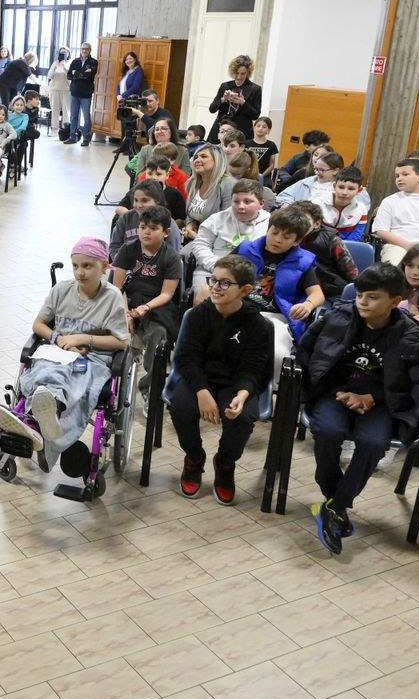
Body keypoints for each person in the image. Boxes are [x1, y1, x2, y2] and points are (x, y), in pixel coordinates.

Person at [298, 264, 419, 555]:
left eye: (372, 297)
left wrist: (373, 397)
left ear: (395, 301)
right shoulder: (338, 317)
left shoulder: (410, 335)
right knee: (327, 430)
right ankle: (335, 503)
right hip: (335, 395)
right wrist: (335, 391)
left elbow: (415, 382)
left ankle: (335, 506)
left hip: (381, 404)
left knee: (374, 442)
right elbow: (308, 353)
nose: (362, 301)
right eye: (360, 294)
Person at [0, 237, 129, 464]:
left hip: (91, 357)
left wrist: (82, 339)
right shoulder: (62, 290)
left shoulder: (112, 297)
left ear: (104, 266)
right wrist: (59, 339)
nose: (80, 272)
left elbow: (121, 342)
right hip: (57, 351)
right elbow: (38, 325)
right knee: (46, 370)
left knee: (70, 376)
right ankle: (46, 416)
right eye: (75, 266)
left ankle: (38, 421)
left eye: (87, 266)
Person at [168, 253, 273, 503]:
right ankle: (194, 457)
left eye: (225, 283)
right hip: (200, 379)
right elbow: (186, 359)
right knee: (181, 406)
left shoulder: (258, 324)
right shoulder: (198, 315)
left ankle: (225, 463)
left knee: (243, 417)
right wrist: (202, 392)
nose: (215, 287)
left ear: (245, 290)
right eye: (213, 280)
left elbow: (254, 368)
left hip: (235, 383)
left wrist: (243, 394)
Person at [237, 206, 326, 375]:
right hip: (238, 310)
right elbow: (223, 274)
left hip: (275, 317)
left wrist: (307, 305)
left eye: (286, 237)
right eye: (275, 232)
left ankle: (273, 389)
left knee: (278, 356)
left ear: (297, 241)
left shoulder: (302, 261)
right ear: (268, 229)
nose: (277, 240)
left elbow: (317, 294)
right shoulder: (245, 249)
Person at [111, 206, 180, 393]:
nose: (146, 232)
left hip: (156, 305)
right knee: (112, 327)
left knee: (159, 334)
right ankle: (111, 380)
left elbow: (166, 294)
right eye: (143, 227)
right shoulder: (128, 249)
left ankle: (149, 386)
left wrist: (146, 307)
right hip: (126, 299)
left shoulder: (171, 257)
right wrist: (126, 313)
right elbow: (118, 287)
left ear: (166, 232)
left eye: (153, 228)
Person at [190, 180, 270, 303]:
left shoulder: (270, 224)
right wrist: (214, 265)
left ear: (261, 204)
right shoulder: (217, 218)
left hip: (251, 274)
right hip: (212, 268)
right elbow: (200, 244)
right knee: (203, 297)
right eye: (236, 201)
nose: (241, 206)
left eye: (247, 201)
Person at [371, 158, 419, 265]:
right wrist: (408, 245)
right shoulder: (389, 201)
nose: (399, 179)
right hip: (396, 246)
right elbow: (381, 231)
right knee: (394, 267)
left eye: (405, 174)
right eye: (397, 176)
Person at [290, 200, 359, 298]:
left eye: (305, 220)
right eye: (294, 219)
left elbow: (351, 273)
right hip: (295, 291)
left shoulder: (331, 239)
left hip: (329, 293)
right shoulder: (283, 237)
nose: (298, 224)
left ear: (317, 224)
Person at [182, 145, 235, 240]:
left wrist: (198, 237)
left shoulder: (228, 184)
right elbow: (190, 214)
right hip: (195, 238)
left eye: (203, 156)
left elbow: (229, 222)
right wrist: (190, 223)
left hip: (219, 241)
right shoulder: (192, 183)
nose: (197, 160)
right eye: (196, 157)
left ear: (217, 161)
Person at [206, 55, 262, 143]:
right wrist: (223, 99)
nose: (239, 77)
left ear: (248, 73)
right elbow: (211, 109)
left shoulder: (255, 89)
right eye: (236, 73)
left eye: (243, 74)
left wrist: (243, 103)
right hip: (221, 127)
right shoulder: (225, 86)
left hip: (241, 130)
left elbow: (255, 115)